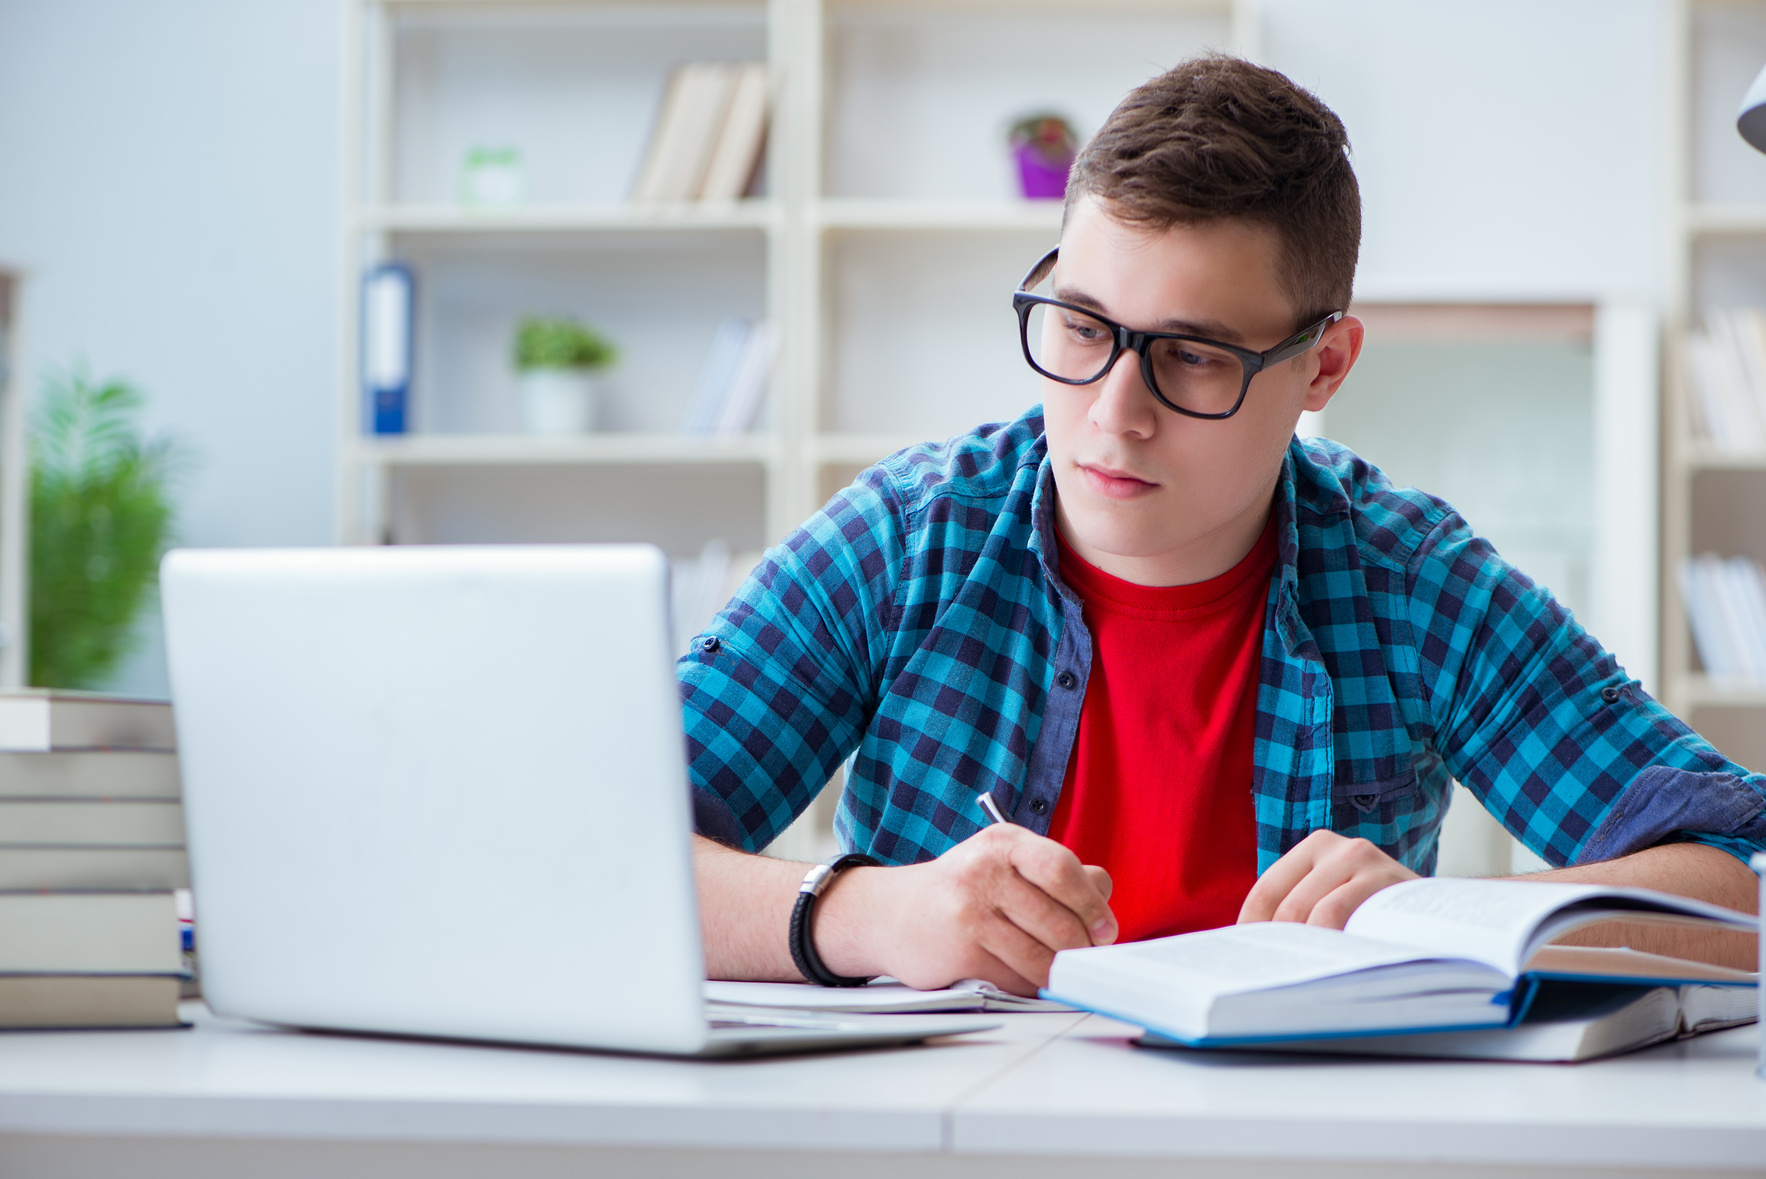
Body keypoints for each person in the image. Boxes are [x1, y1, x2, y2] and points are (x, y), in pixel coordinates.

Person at [680, 55, 1764, 994]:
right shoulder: (907, 539)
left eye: (1192, 355)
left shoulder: (1414, 581)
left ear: (1320, 369)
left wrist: (1439, 920)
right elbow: (587, 846)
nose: (1112, 413)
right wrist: (860, 916)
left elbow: (1736, 876)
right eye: (1079, 325)